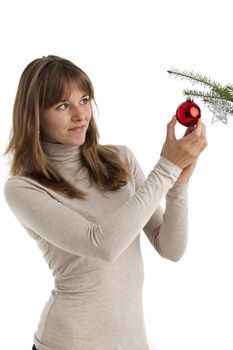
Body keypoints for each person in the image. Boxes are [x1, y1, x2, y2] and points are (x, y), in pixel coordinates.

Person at [3, 55, 207, 350]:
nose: (80, 115)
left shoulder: (120, 158)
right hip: (66, 343)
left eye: (84, 100)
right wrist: (166, 168)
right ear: (35, 116)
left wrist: (179, 183)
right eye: (63, 105)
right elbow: (102, 245)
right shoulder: (23, 188)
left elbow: (170, 248)